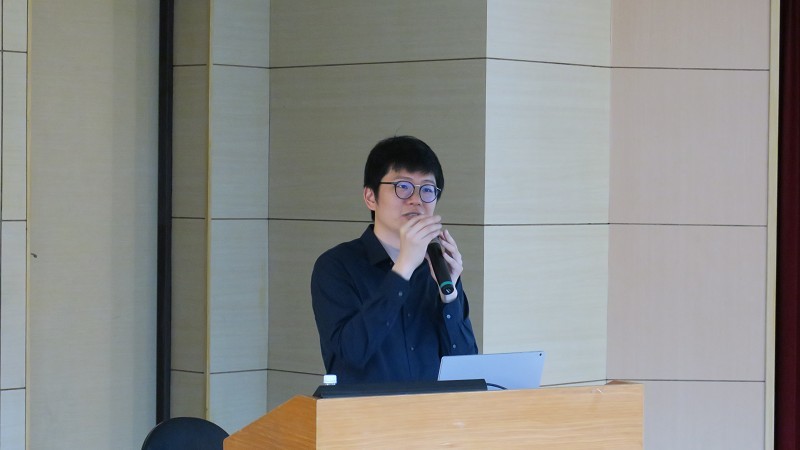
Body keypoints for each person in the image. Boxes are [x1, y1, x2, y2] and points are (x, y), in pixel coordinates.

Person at [311, 135, 479, 384]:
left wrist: (450, 296)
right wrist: (403, 269)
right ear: (371, 197)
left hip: (432, 408)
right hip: (365, 408)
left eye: (427, 189)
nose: (416, 199)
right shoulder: (336, 266)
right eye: (403, 186)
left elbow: (467, 369)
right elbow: (350, 356)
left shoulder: (438, 267)